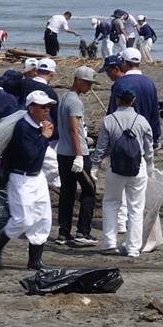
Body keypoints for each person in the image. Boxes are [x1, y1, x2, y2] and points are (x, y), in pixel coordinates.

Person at [0, 91, 56, 271]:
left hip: (37, 177)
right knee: (23, 219)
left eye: (48, 106)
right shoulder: (23, 128)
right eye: (42, 107)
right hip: (21, 178)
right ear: (31, 108)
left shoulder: (38, 125)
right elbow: (30, 156)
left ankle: (35, 261)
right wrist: (44, 137)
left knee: (43, 218)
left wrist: (43, 136)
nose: (47, 110)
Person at [91, 86, 155, 257]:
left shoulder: (109, 120)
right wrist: (150, 166)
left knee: (111, 203)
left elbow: (101, 147)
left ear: (117, 99)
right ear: (133, 101)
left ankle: (109, 243)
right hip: (138, 167)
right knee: (136, 208)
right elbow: (149, 148)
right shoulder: (142, 120)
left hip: (116, 167)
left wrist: (95, 166)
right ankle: (133, 248)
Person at [53, 66, 99, 247]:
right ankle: (82, 232)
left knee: (67, 192)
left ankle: (63, 233)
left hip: (63, 152)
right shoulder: (75, 102)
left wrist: (84, 138)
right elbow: (73, 129)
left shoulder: (64, 97)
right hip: (74, 154)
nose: (90, 87)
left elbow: (73, 129)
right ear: (78, 80)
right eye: (87, 83)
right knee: (89, 190)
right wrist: (79, 155)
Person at [107, 48, 162, 147]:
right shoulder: (150, 83)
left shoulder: (120, 83)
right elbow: (155, 112)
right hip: (145, 133)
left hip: (124, 135)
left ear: (124, 62)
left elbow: (112, 111)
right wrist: (155, 136)